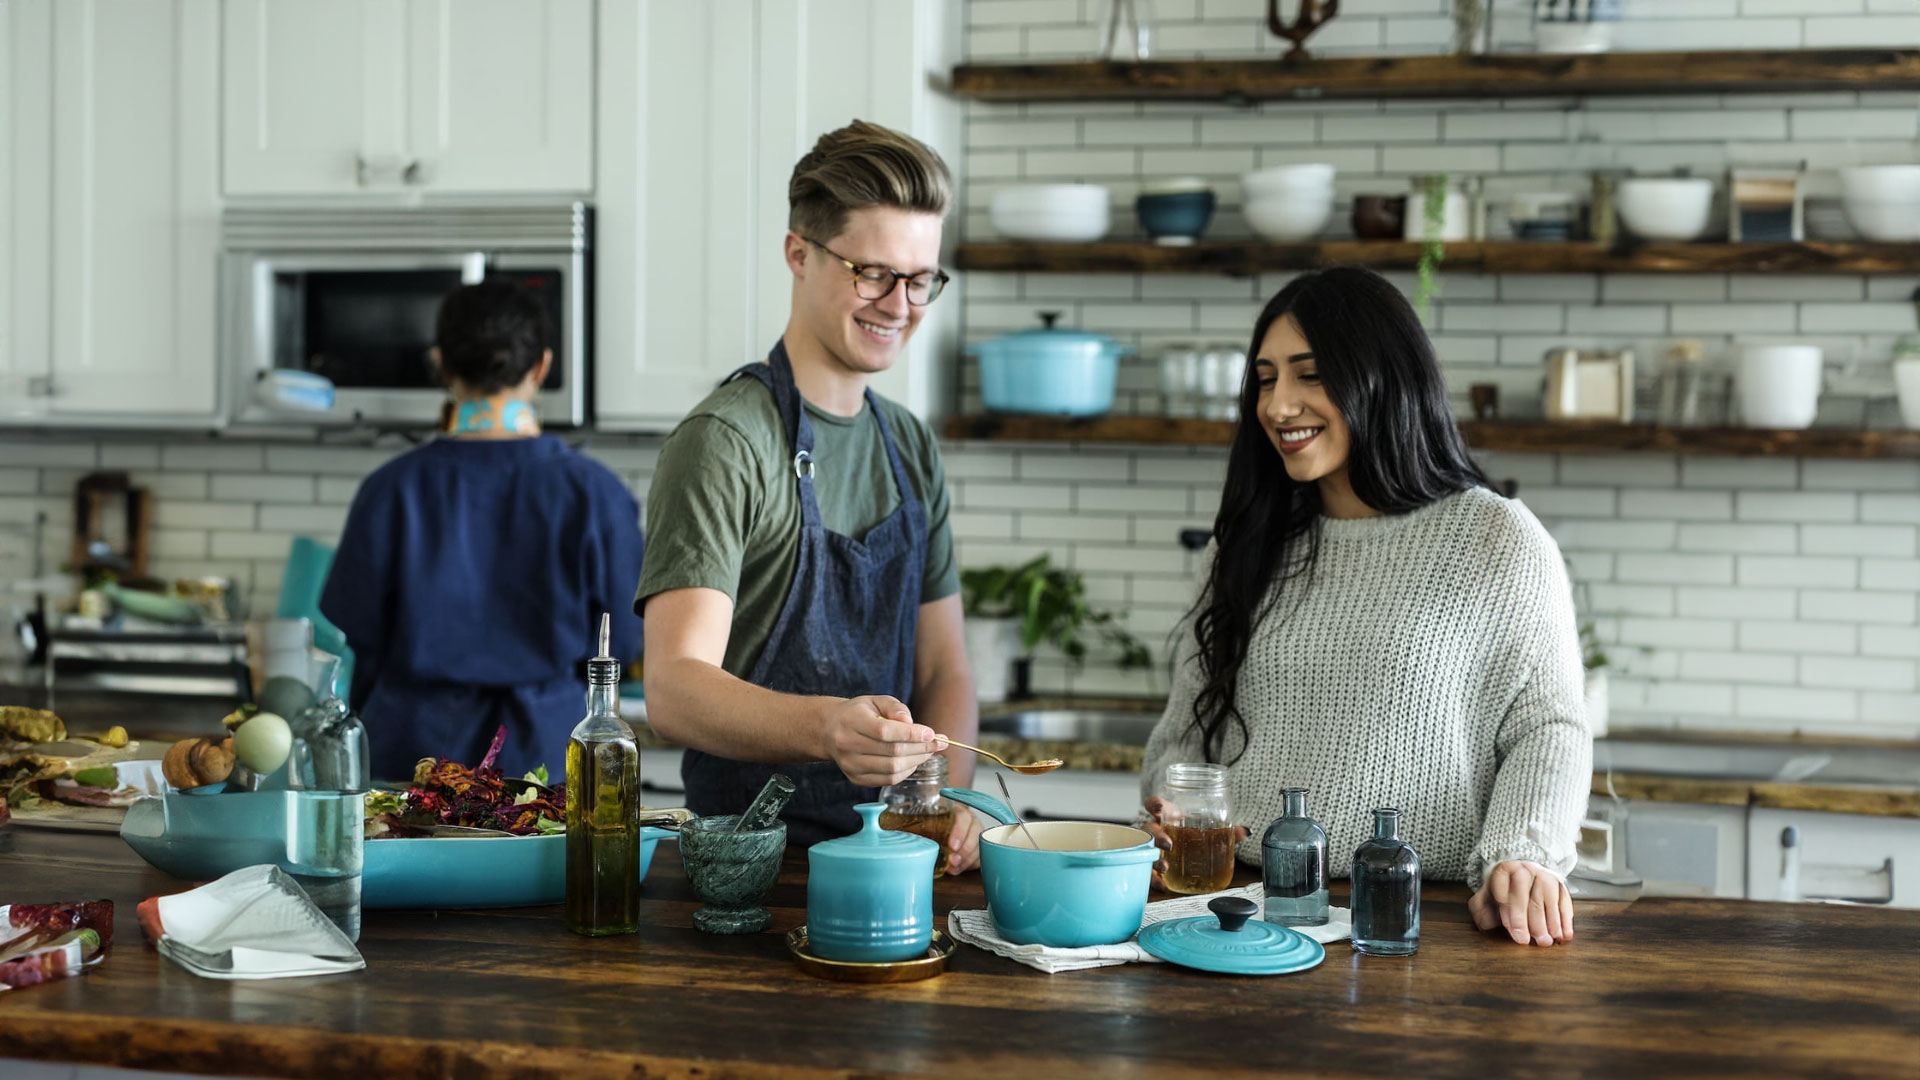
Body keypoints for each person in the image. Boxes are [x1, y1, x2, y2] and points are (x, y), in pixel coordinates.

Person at [1138, 266, 1591, 947]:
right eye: (1266, 379)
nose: (1278, 405)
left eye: (1309, 374)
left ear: (1384, 377)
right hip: (1242, 913)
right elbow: (1183, 735)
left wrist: (1523, 855)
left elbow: (1548, 728)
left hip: (1415, 918)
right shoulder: (1249, 547)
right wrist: (1169, 804)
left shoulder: (1496, 538)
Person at [637, 119, 981, 868]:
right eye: (872, 273)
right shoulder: (727, 441)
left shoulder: (910, 445)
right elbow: (672, 687)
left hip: (896, 861)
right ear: (799, 253)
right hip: (753, 874)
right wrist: (830, 728)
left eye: (920, 279)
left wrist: (952, 793)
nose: (900, 305)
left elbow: (945, 668)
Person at [321, 280, 644, 780]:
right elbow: (621, 640)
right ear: (542, 367)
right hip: (545, 759)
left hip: (411, 756)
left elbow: (360, 636)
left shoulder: (389, 490)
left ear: (441, 365)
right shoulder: (597, 494)